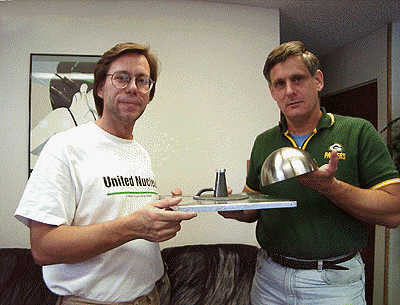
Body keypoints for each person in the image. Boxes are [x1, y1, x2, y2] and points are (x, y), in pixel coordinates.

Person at [14, 42, 197, 304]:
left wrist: (159, 216)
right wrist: (134, 226)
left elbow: (123, 215)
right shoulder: (64, 146)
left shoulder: (139, 152)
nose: (133, 87)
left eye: (142, 80)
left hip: (152, 296)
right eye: (122, 78)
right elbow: (44, 247)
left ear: (149, 92)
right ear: (100, 88)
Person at [220, 41, 400, 304]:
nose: (289, 91)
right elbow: (253, 204)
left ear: (318, 80)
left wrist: (331, 187)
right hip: (269, 278)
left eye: (297, 79)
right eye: (279, 84)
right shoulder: (264, 141)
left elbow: (394, 211)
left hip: (333, 284)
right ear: (272, 91)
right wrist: (236, 209)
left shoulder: (357, 131)